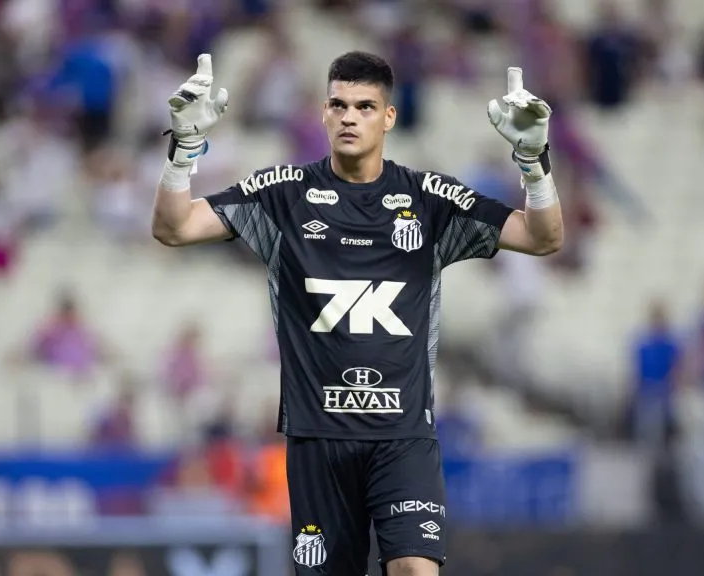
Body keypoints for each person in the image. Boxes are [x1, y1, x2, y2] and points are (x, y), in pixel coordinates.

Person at [150, 51, 564, 576]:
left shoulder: (429, 198)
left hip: (403, 438)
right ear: (323, 113)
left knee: (415, 569)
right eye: (339, 105)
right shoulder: (282, 195)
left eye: (365, 106)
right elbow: (174, 228)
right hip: (317, 439)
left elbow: (543, 237)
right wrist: (184, 150)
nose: (350, 117)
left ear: (388, 117)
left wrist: (534, 162)